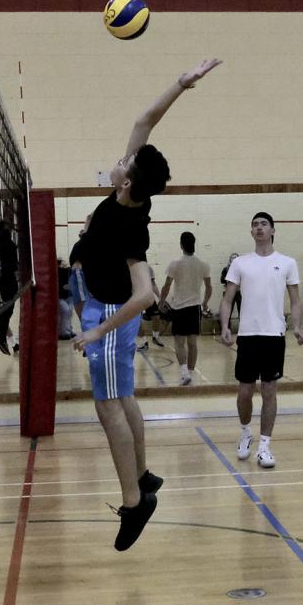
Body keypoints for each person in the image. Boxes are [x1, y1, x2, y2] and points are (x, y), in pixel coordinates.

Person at [72, 57, 221, 551]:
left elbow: (144, 296)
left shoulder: (127, 225)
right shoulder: (130, 194)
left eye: (125, 163)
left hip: (109, 316)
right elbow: (144, 121)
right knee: (125, 398)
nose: (120, 159)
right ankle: (142, 474)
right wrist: (179, 83)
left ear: (128, 181)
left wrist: (96, 329)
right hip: (101, 306)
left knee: (108, 406)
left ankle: (134, 502)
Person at [218, 213, 303, 468]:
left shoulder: (287, 263)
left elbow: (296, 300)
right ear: (251, 231)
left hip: (273, 335)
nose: (259, 228)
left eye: (263, 224)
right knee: (245, 391)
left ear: (273, 230)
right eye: (255, 225)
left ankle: (265, 446)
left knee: (269, 389)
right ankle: (246, 432)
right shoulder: (241, 263)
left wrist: (298, 326)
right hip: (247, 336)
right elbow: (227, 299)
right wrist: (225, 325)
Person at [159, 231, 211, 386]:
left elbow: (167, 285)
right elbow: (209, 287)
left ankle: (184, 372)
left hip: (180, 308)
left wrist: (161, 301)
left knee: (179, 342)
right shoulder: (203, 264)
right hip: (195, 308)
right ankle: (191, 373)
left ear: (181, 245)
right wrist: (205, 302)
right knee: (193, 342)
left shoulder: (175, 264)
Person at [0, 220, 20, 355]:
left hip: (7, 278)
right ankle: (1, 337)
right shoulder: (6, 242)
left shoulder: (3, 241)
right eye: (6, 227)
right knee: (8, 309)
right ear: (2, 231)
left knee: (8, 309)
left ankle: (2, 337)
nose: (9, 228)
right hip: (8, 279)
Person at [136, 267, 167, 351]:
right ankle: (144, 342)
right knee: (136, 321)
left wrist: (160, 297)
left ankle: (155, 337)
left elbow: (153, 284)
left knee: (156, 317)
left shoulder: (148, 269)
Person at [57, 258, 75, 340]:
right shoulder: (57, 272)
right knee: (66, 311)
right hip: (60, 296)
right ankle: (64, 332)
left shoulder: (68, 271)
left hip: (68, 295)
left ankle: (69, 330)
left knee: (69, 312)